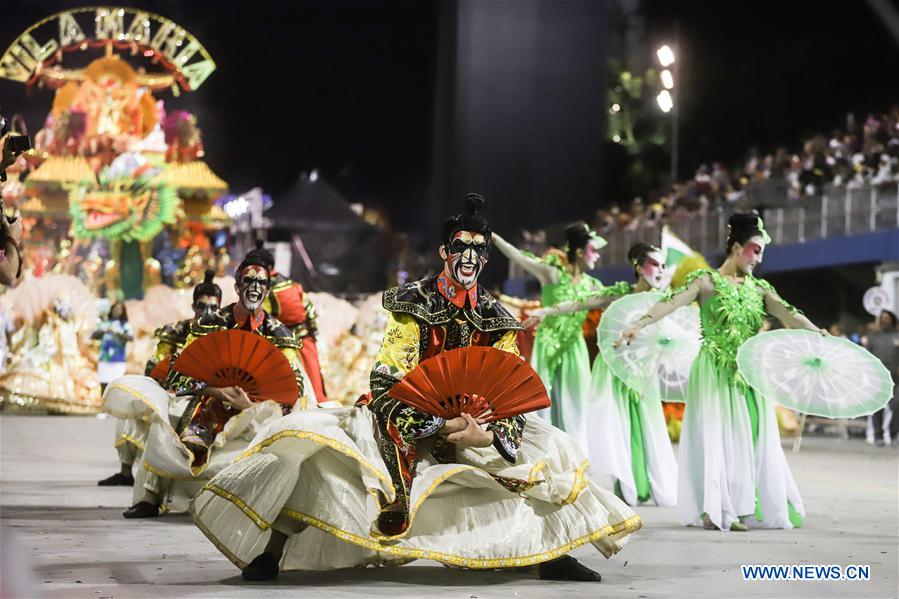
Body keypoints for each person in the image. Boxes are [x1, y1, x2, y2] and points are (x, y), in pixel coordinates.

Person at [190, 194, 641, 582]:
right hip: (403, 416)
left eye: (478, 250)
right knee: (319, 450)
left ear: (486, 259)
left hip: (474, 425)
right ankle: (273, 551)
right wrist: (438, 422)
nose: (469, 257)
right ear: (445, 251)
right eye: (461, 247)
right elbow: (388, 377)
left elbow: (510, 386)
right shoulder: (413, 304)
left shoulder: (497, 317)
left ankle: (549, 553)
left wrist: (487, 432)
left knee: (547, 454)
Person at [617, 212, 826, 531]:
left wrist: (817, 332)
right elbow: (671, 303)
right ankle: (717, 508)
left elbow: (789, 313)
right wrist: (638, 325)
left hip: (749, 373)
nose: (758, 258)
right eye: (755, 250)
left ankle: (745, 504)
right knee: (718, 437)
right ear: (736, 247)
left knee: (753, 435)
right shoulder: (706, 281)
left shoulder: (759, 288)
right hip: (714, 369)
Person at [113, 247, 309, 518]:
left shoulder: (279, 334)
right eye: (248, 282)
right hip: (208, 402)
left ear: (267, 290)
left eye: (261, 283)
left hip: (256, 409)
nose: (255, 288)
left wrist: (250, 403)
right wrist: (213, 390)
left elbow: (293, 385)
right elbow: (179, 373)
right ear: (238, 287)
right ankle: (150, 497)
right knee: (163, 420)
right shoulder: (210, 324)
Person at [529, 243, 678, 506]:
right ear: (638, 267)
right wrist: (545, 311)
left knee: (648, 428)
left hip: (643, 375)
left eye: (664, 266)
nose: (661, 270)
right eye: (655, 264)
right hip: (616, 373)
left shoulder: (663, 300)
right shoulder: (620, 294)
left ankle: (651, 486)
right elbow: (580, 303)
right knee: (620, 428)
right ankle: (629, 487)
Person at [492, 223, 630, 434]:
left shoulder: (591, 284)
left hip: (574, 346)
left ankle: (575, 449)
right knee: (544, 400)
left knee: (576, 398)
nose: (598, 256)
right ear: (580, 252)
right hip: (547, 343)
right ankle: (543, 446)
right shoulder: (552, 274)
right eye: (594, 251)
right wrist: (493, 237)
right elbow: (518, 256)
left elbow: (615, 301)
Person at [98, 271, 222, 487]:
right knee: (134, 408)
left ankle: (158, 489)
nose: (208, 312)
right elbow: (156, 364)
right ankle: (126, 471)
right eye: (202, 306)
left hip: (207, 400)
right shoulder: (177, 331)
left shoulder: (224, 334)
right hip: (173, 393)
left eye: (213, 308)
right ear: (194, 307)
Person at [862, 310, 899, 446]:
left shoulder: (897, 336)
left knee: (896, 405)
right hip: (878, 378)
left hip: (896, 378)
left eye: (888, 318)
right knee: (878, 407)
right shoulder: (872, 337)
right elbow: (866, 356)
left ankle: (893, 433)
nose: (885, 320)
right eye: (883, 318)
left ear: (892, 320)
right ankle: (879, 436)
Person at [92, 302, 132, 395]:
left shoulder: (124, 325)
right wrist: (104, 330)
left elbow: (130, 337)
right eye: (115, 308)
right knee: (104, 386)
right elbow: (94, 335)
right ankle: (104, 407)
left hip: (118, 360)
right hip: (104, 359)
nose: (116, 310)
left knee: (116, 387)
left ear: (123, 312)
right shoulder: (104, 323)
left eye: (119, 309)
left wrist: (117, 332)